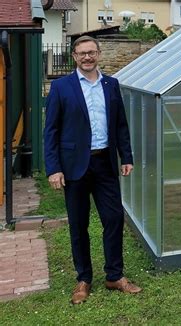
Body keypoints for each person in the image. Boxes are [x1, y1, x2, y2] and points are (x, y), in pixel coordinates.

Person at [44, 36, 142, 304]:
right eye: (82, 53)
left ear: (99, 54)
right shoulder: (62, 87)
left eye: (91, 52)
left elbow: (120, 124)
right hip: (74, 166)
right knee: (79, 224)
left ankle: (114, 275)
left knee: (113, 219)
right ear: (74, 56)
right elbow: (50, 131)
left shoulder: (111, 84)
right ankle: (83, 279)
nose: (87, 57)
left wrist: (127, 156)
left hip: (105, 164)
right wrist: (54, 168)